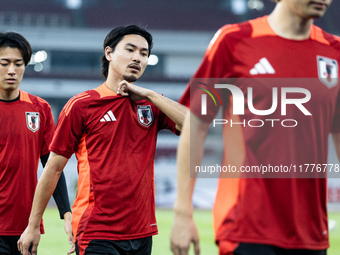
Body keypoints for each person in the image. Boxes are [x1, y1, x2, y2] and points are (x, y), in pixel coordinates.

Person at [170, 0, 340, 255]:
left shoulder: (335, 51)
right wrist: (183, 212)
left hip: (311, 232)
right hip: (245, 225)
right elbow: (195, 127)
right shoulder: (234, 41)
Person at [18, 25, 187, 255]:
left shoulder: (151, 105)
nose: (137, 57)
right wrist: (32, 225)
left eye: (144, 53)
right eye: (130, 49)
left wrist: (150, 94)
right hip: (97, 230)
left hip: (142, 232)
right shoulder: (82, 105)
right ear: (109, 53)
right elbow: (53, 168)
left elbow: (195, 125)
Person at [0, 32, 73, 255]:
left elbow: (52, 166)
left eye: (18, 64)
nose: (12, 70)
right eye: (4, 63)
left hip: (25, 228)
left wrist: (67, 214)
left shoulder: (39, 109)